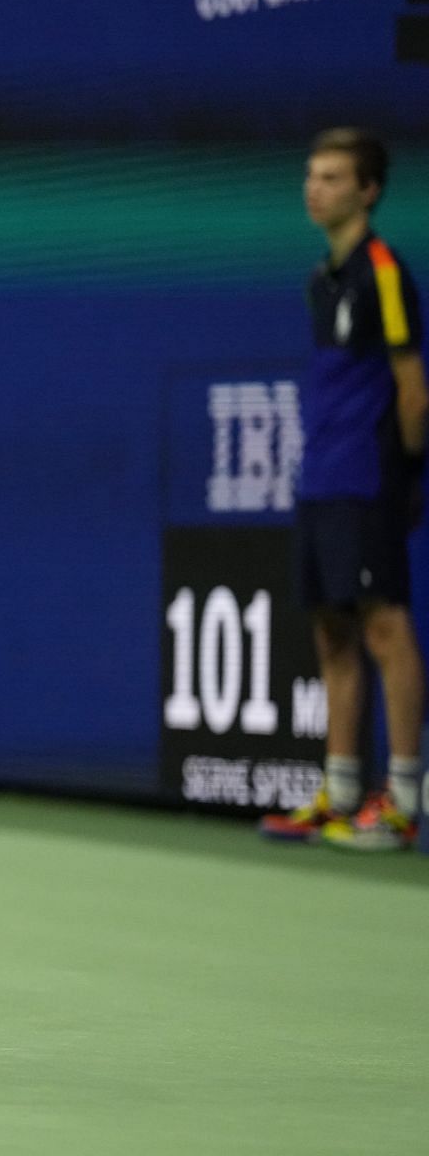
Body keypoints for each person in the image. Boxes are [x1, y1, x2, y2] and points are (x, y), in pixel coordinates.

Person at [260, 129, 425, 852]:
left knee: (385, 630)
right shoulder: (319, 279)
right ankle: (343, 790)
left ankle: (405, 800)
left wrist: (406, 473)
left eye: (331, 177)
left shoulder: (382, 272)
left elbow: (413, 391)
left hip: (369, 477)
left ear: (368, 191)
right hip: (322, 474)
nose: (314, 188)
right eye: (310, 174)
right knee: (331, 632)